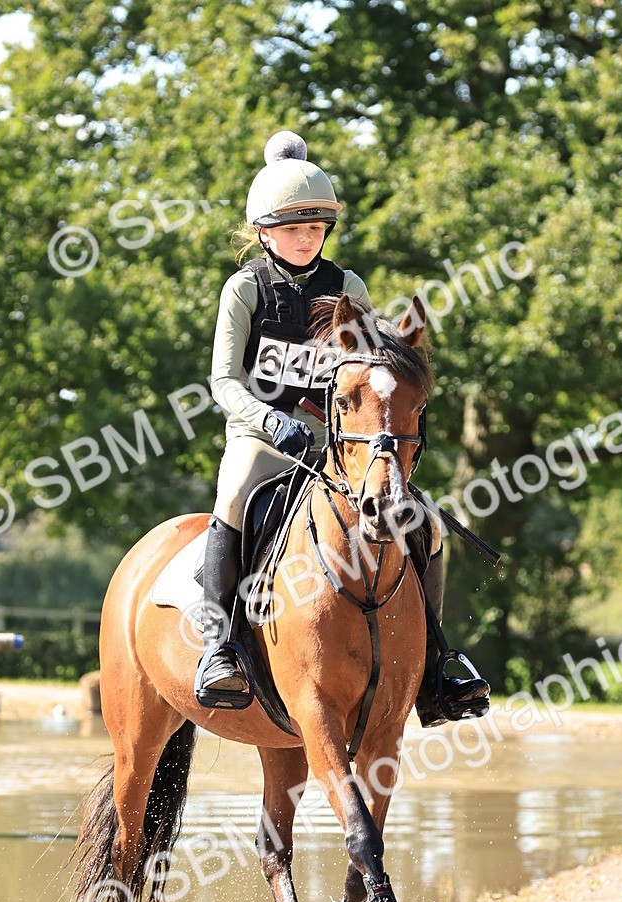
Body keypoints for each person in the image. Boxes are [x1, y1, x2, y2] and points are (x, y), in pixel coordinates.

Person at [195, 131, 490, 727]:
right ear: (264, 232)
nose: (305, 239)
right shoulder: (246, 288)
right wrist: (271, 421)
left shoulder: (347, 288)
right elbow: (223, 382)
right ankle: (217, 647)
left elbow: (368, 373)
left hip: (338, 445)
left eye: (314, 228)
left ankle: (435, 662)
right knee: (233, 497)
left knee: (425, 522)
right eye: (292, 229)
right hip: (259, 439)